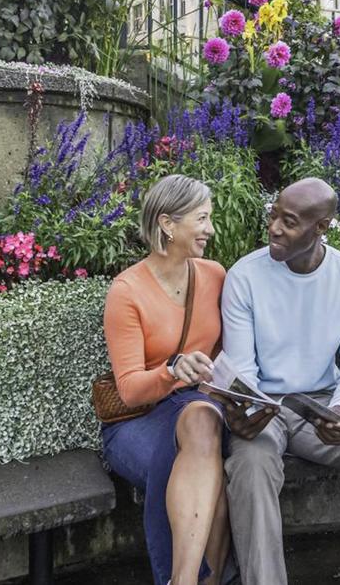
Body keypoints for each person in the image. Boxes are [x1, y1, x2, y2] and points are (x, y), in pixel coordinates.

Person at [216, 178, 340, 585]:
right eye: (273, 215)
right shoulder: (244, 277)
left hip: (321, 405)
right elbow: (242, 372)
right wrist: (247, 413)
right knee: (251, 463)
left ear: (321, 228)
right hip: (265, 411)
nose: (274, 227)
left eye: (288, 222)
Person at [100, 175, 232, 585]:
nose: (210, 229)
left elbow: (231, 355)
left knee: (202, 420)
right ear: (167, 224)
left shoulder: (215, 275)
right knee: (207, 461)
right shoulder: (126, 290)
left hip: (203, 406)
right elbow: (129, 389)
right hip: (139, 419)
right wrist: (172, 370)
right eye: (202, 218)